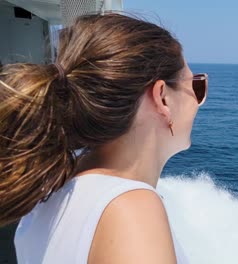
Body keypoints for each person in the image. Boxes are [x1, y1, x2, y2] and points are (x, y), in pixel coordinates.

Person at [0, 12, 208, 263]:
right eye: (197, 87)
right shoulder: (130, 207)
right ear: (162, 97)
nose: (199, 101)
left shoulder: (53, 186)